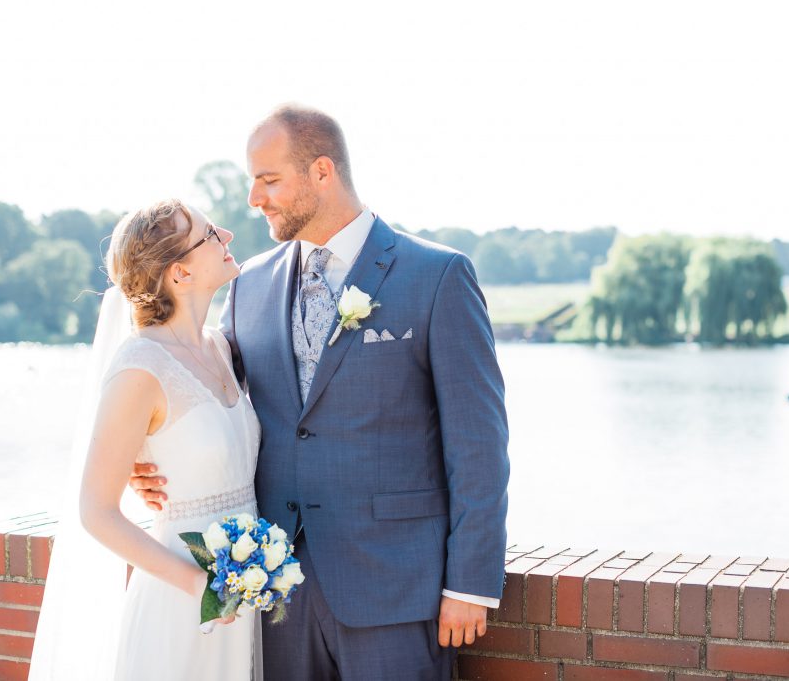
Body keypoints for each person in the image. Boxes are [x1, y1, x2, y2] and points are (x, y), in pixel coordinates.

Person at [131, 105, 510, 680]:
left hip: (398, 593)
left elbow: (479, 444)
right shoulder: (249, 285)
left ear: (322, 172)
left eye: (270, 179)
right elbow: (208, 397)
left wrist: (471, 583)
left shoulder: (437, 276)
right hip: (277, 596)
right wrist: (147, 454)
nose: (255, 199)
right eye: (251, 182)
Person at [30, 199, 262, 680]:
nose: (228, 236)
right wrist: (202, 587)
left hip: (241, 598)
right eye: (210, 234)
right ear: (180, 272)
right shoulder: (140, 366)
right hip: (183, 601)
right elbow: (96, 512)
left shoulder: (220, 345)